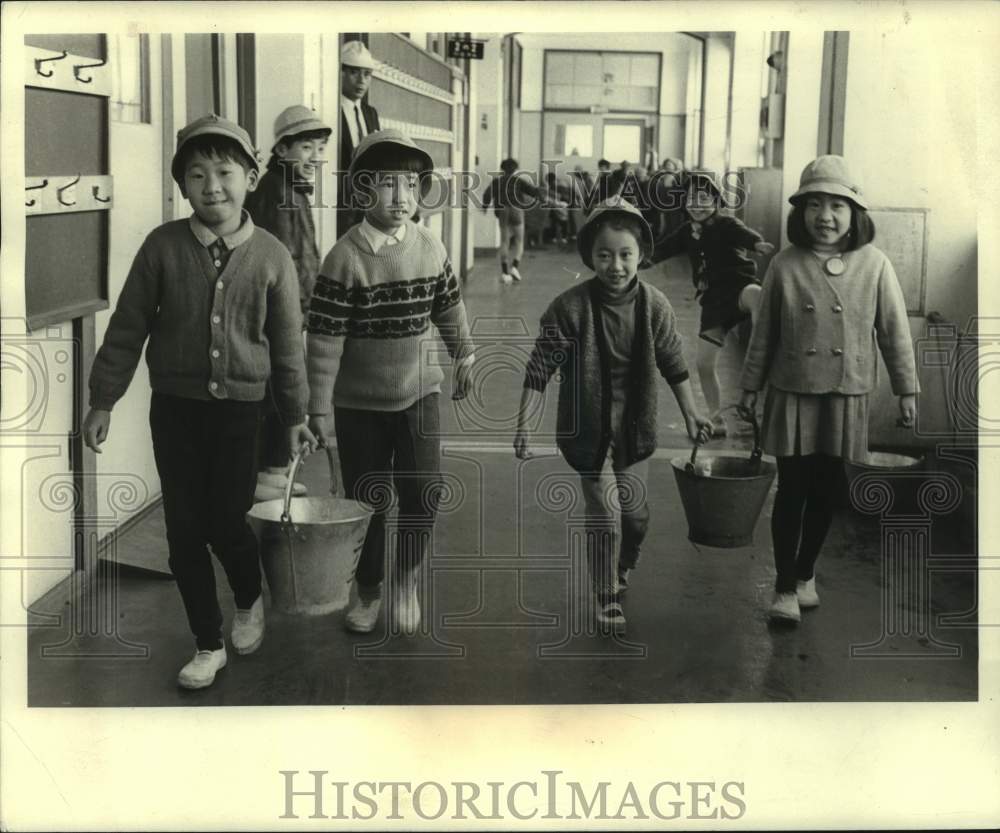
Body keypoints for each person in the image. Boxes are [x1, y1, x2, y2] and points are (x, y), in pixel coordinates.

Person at [83, 114, 314, 689]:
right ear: (181, 186)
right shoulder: (161, 247)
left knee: (226, 522)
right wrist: (103, 399)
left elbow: (287, 348)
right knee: (184, 530)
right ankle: (207, 642)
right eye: (197, 174)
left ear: (252, 176)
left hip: (243, 413)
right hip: (176, 411)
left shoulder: (271, 256)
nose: (213, 186)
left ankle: (248, 597)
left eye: (225, 172)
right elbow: (128, 327)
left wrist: (297, 418)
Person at [514, 198, 712, 633]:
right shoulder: (568, 308)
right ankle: (605, 594)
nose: (616, 265)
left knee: (635, 516)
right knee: (601, 510)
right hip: (588, 429)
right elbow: (539, 368)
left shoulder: (655, 306)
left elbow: (674, 363)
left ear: (641, 254)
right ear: (590, 256)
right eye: (604, 255)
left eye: (626, 255)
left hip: (635, 425)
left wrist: (693, 413)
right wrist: (524, 423)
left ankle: (626, 560)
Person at [306, 129, 476, 635]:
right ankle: (369, 589)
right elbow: (324, 341)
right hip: (359, 405)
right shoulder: (344, 259)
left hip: (419, 392)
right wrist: (318, 410)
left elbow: (448, 307)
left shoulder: (430, 246)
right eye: (385, 185)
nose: (400, 198)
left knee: (424, 491)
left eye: (409, 184)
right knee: (367, 500)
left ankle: (406, 581)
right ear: (363, 190)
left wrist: (464, 354)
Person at [738, 155, 918, 624]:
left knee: (827, 490)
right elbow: (764, 335)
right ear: (800, 213)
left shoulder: (875, 265)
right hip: (793, 390)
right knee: (792, 487)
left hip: (846, 392)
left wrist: (907, 389)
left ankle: (805, 573)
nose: (825, 216)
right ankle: (782, 587)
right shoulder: (784, 263)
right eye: (814, 204)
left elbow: (893, 330)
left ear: (854, 213)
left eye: (837, 205)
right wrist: (750, 388)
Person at [245, 104, 332, 501]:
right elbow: (280, 261)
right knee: (278, 384)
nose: (316, 157)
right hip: (276, 310)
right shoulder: (277, 193)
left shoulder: (290, 188)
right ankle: (268, 470)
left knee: (282, 383)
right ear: (282, 150)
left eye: (320, 148)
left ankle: (274, 467)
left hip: (291, 308)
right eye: (307, 148)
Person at [648, 170, 775, 437]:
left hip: (739, 287)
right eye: (691, 199)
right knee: (704, 364)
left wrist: (756, 243)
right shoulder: (685, 232)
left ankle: (767, 348)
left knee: (758, 297)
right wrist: (638, 260)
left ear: (716, 201)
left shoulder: (727, 224)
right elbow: (663, 249)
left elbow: (743, 233)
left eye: (704, 197)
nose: (697, 204)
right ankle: (717, 419)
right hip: (714, 302)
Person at [338, 40, 381, 237]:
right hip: (341, 206)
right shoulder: (333, 111)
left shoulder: (370, 113)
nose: (361, 81)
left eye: (367, 74)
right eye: (355, 72)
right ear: (341, 73)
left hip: (368, 205)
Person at [481, 157, 540, 284]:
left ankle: (504, 273)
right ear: (515, 169)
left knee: (504, 242)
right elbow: (534, 192)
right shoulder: (518, 181)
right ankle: (514, 267)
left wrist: (485, 206)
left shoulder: (497, 182)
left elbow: (487, 195)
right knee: (519, 241)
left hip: (502, 210)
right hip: (516, 209)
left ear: (502, 168)